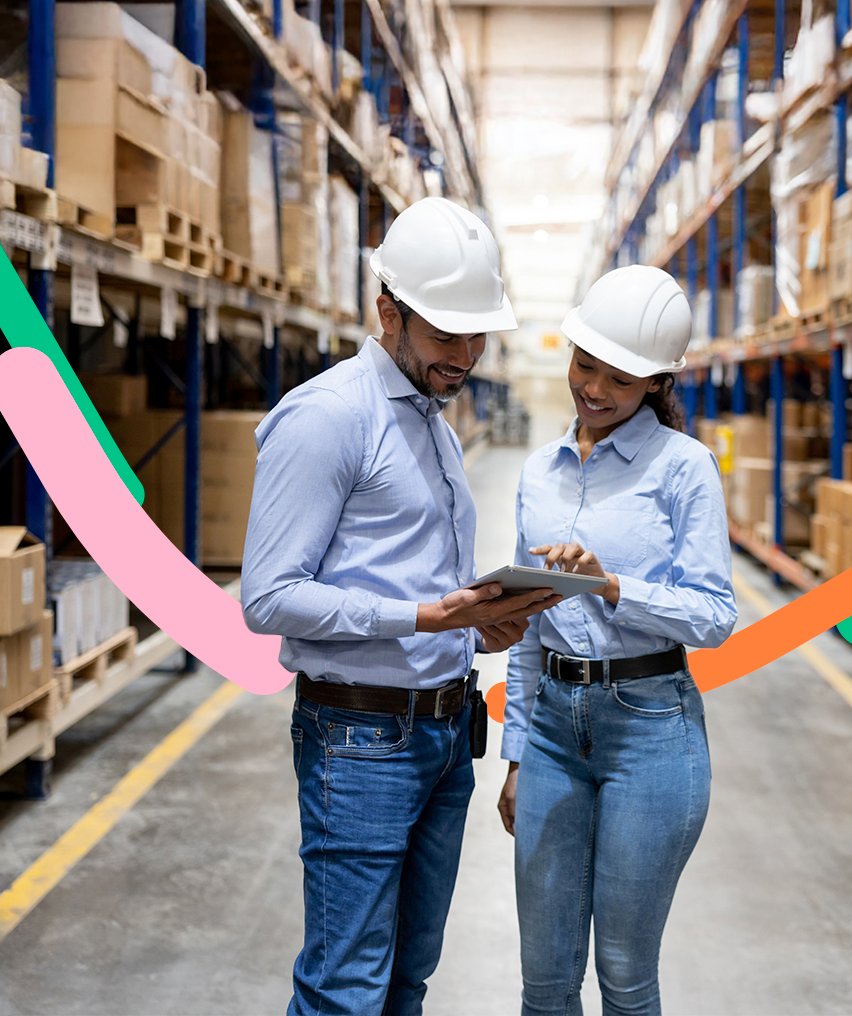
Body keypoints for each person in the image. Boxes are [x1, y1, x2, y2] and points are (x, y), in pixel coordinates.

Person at [242, 197, 562, 1016]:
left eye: (475, 335)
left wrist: (481, 627)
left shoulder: (432, 424)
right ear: (388, 310)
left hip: (445, 730)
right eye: (445, 334)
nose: (464, 356)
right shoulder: (327, 418)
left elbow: (416, 578)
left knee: (406, 978)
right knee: (345, 986)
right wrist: (423, 618)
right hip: (359, 740)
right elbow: (269, 597)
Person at [496, 264, 737, 1016]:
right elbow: (530, 622)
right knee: (543, 981)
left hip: (650, 728)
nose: (594, 390)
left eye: (620, 380)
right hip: (551, 739)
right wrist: (515, 753)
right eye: (584, 366)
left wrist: (613, 587)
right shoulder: (539, 473)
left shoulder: (684, 469)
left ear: (656, 383)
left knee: (626, 976)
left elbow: (713, 616)